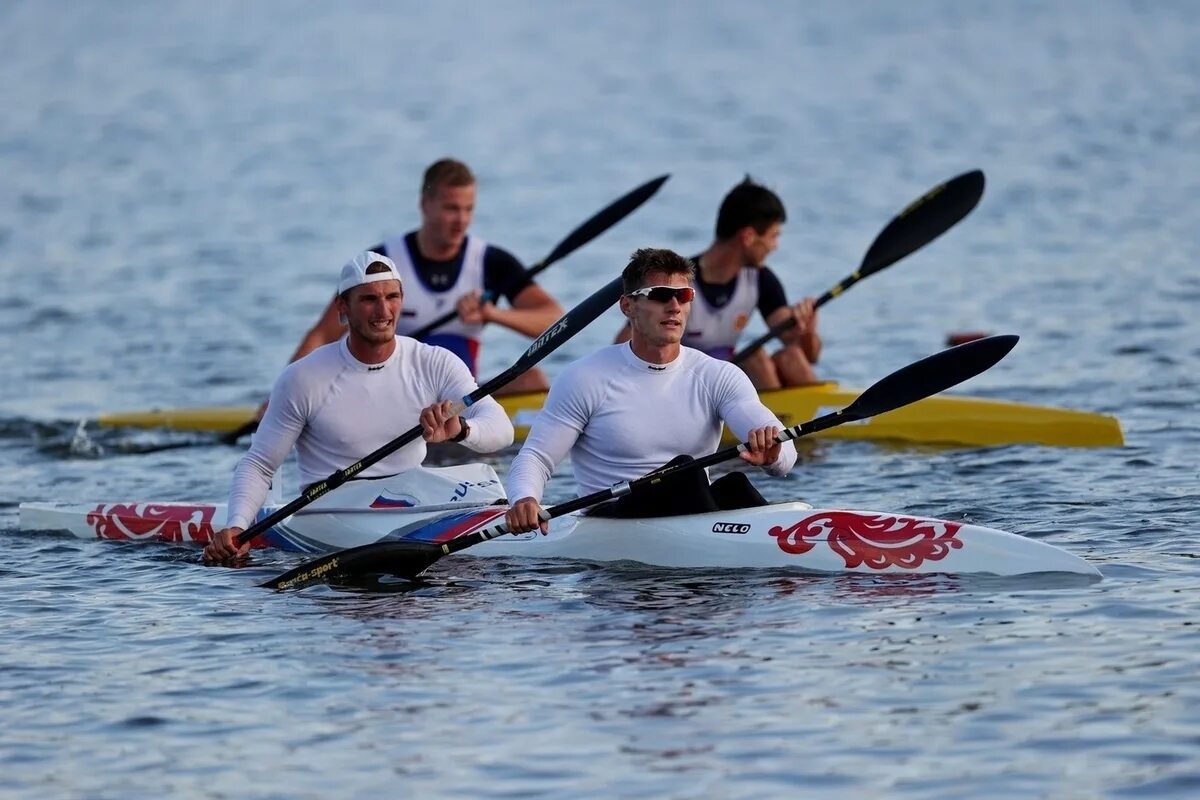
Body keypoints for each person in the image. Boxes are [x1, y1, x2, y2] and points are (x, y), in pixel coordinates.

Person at [204, 251, 515, 563]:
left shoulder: (433, 362)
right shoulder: (303, 377)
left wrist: (461, 430)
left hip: (413, 499)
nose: (383, 310)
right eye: (369, 299)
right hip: (330, 510)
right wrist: (237, 526)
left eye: (392, 297)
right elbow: (260, 464)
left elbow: (502, 430)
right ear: (343, 307)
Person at [504, 248, 798, 534]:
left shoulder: (718, 375)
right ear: (627, 306)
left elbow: (782, 448)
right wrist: (525, 499)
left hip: (690, 513)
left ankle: (783, 543)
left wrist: (773, 453)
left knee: (734, 485)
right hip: (611, 523)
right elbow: (537, 457)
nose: (674, 307)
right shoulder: (584, 377)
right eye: (660, 295)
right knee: (687, 470)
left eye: (683, 296)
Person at [282, 158, 563, 399]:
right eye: (451, 208)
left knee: (534, 381)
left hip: (458, 395)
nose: (461, 220)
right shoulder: (383, 263)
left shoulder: (490, 262)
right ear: (425, 205)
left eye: (468, 209)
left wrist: (492, 314)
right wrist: (282, 395)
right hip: (393, 393)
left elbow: (554, 319)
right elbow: (323, 334)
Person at [614, 177, 821, 390]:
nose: (774, 246)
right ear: (749, 236)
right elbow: (621, 348)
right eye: (773, 236)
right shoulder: (681, 282)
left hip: (726, 379)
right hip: (683, 383)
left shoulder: (761, 279)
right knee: (756, 358)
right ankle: (772, 421)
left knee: (792, 357)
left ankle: (823, 419)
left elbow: (809, 357)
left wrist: (808, 330)